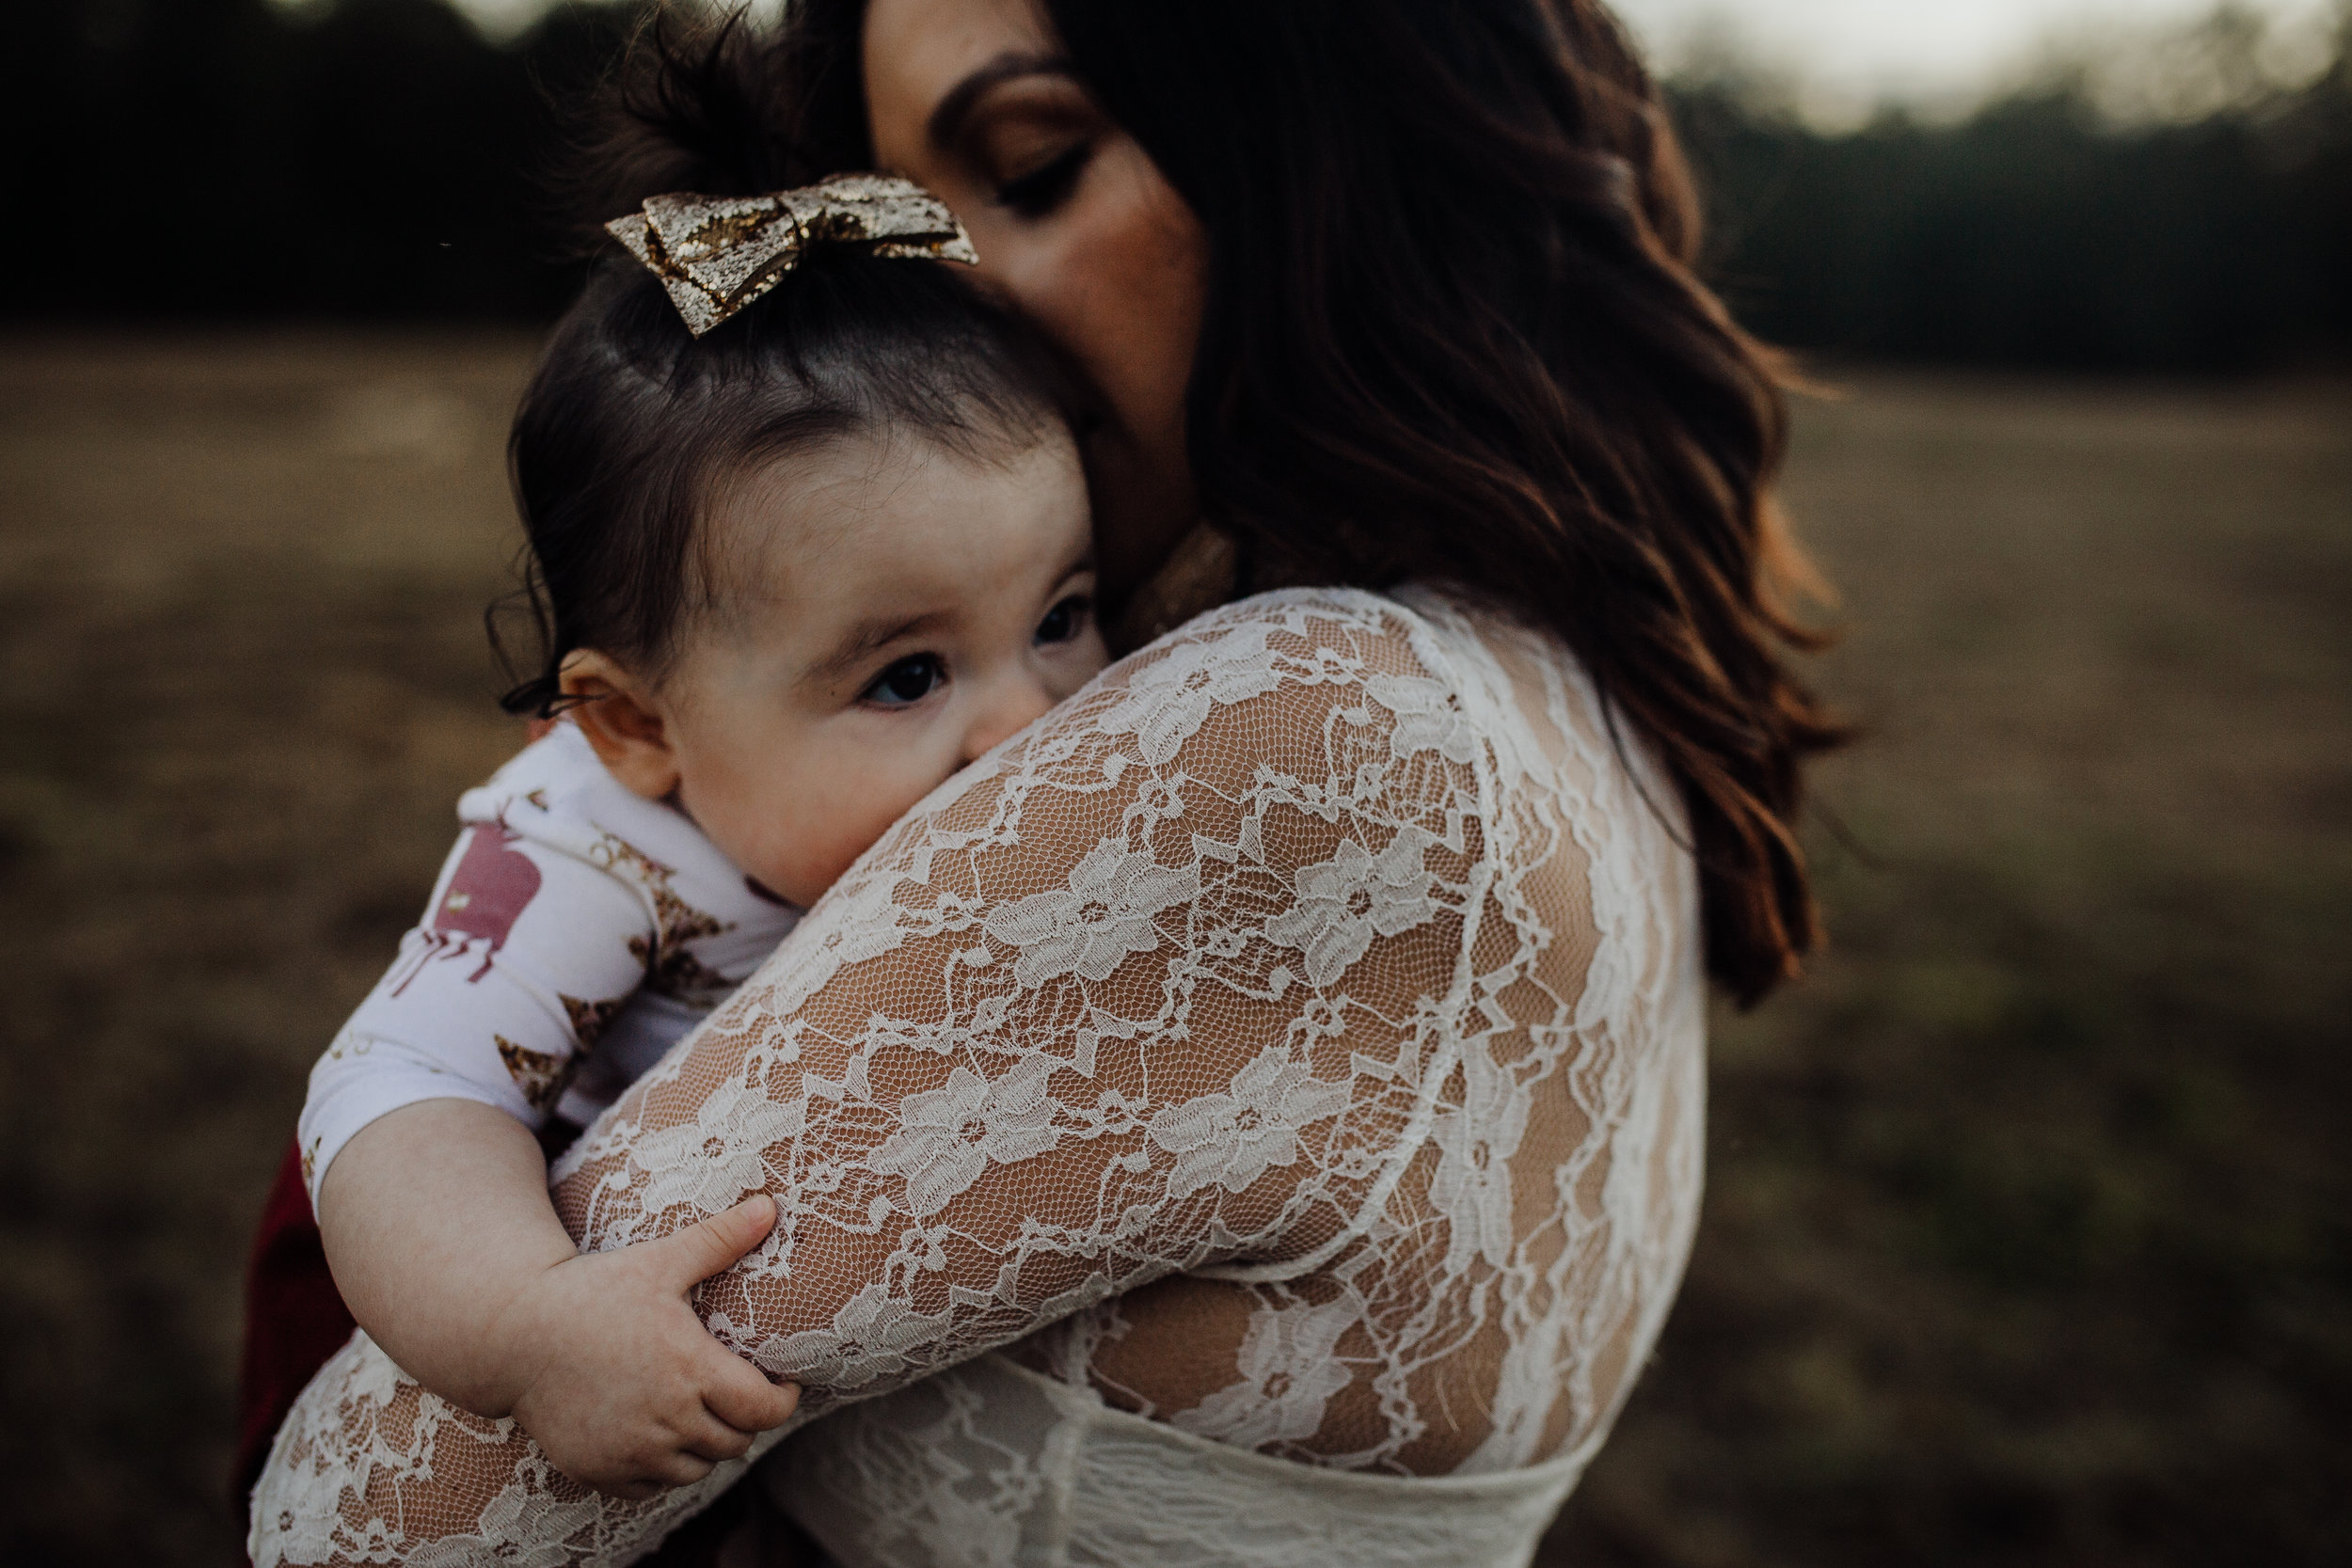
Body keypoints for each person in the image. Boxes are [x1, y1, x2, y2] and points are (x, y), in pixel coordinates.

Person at [250, 2, 1843, 1564]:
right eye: (903, 218)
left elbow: (354, 1533)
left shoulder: (1306, 742)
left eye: (1030, 169)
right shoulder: (1562, 684)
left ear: (1331, 139)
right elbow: (412, 1085)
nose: (949, 300)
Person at [251, 175, 1110, 1507]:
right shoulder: (594, 852)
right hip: (647, 1364)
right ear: (641, 725)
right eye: (905, 676)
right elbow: (404, 1086)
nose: (1029, 723)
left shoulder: (1090, 771)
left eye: (1061, 615)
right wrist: (531, 1320)